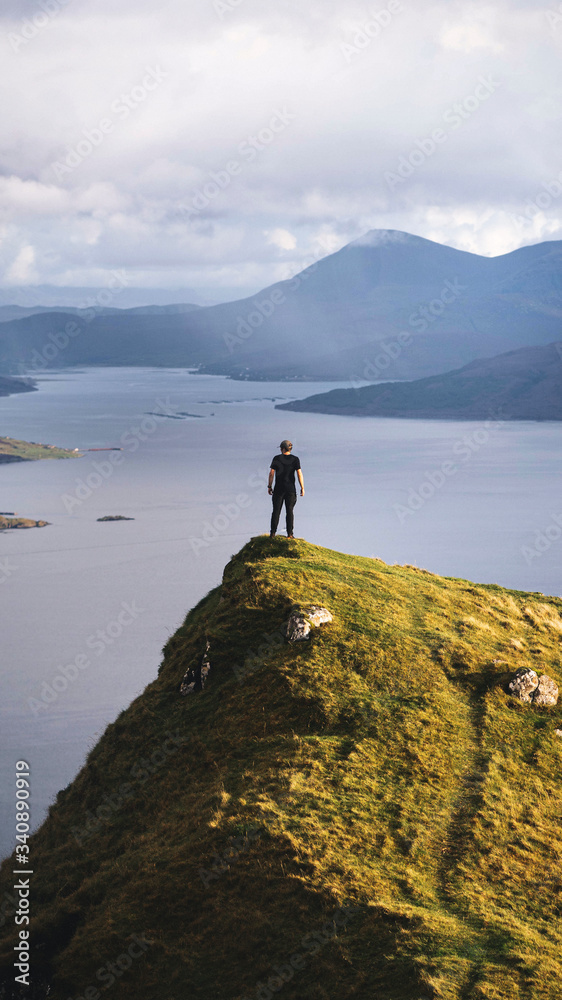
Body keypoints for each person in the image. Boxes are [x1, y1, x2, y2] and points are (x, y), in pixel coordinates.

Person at [268, 440, 304, 538]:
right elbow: (299, 473)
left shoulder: (276, 458)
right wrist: (302, 487)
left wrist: (269, 486)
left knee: (276, 511)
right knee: (290, 511)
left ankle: (272, 534)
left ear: (283, 449)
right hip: (290, 489)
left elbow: (271, 473)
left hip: (279, 489)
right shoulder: (295, 459)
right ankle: (290, 534)